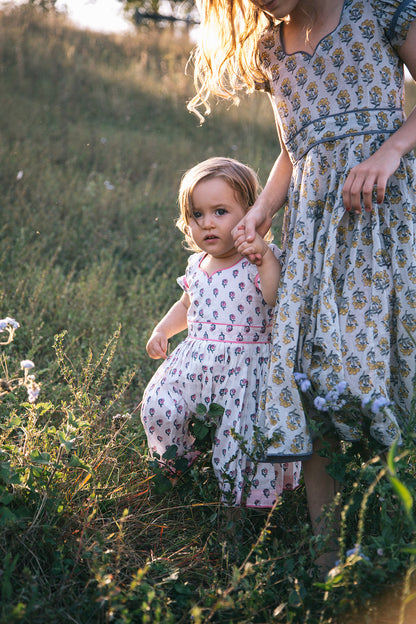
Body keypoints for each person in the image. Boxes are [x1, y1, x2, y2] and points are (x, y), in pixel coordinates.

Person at [188, 0, 416, 570]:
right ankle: (327, 564)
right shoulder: (270, 50)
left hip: (388, 219)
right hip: (316, 232)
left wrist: (389, 151)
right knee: (312, 375)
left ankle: (396, 547)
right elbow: (296, 147)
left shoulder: (378, 11)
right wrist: (262, 208)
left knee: (389, 363)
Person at [141, 156, 300, 507]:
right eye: (197, 214)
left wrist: (264, 257)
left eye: (220, 212)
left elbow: (276, 298)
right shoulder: (197, 264)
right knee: (159, 405)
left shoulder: (260, 258)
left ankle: (238, 514)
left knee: (236, 441)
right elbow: (187, 305)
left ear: (252, 214)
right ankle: (178, 467)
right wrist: (163, 330)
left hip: (243, 373)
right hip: (194, 365)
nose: (207, 223)